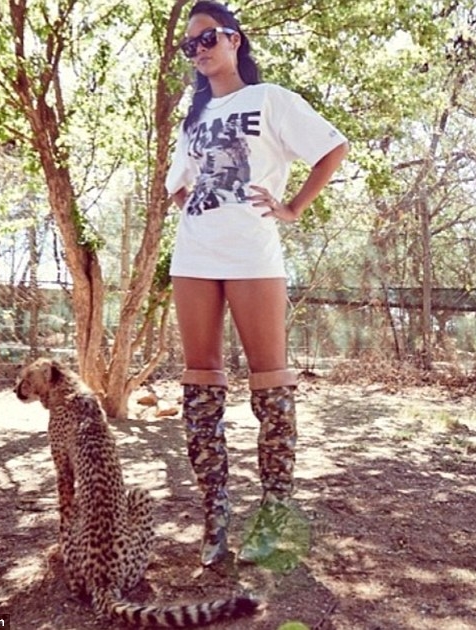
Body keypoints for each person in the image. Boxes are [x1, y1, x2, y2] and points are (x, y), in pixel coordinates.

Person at [166, 0, 349, 567]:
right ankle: (215, 516)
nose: (199, 50)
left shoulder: (270, 99)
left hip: (254, 256)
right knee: (201, 388)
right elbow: (178, 185)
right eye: (190, 45)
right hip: (194, 257)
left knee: (271, 386)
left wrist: (291, 208)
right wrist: (200, 212)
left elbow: (333, 148)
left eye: (208, 38)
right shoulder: (193, 118)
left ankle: (272, 517)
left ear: (234, 39)